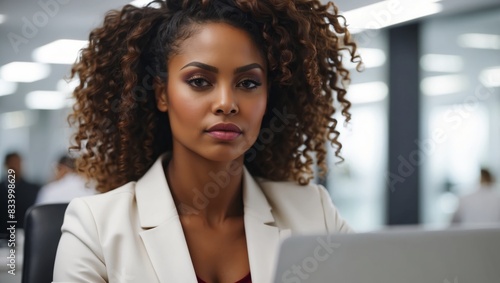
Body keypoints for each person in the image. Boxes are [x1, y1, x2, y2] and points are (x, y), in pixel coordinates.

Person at [54, 0, 361, 282]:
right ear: (162, 94)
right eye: (200, 81)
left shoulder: (314, 214)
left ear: (268, 96)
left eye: (248, 83)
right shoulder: (95, 227)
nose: (227, 103)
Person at [0, 152, 40, 240]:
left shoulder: (32, 189)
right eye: (13, 163)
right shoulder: (1, 188)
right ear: (6, 165)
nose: (16, 166)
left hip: (24, 237)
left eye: (18, 163)